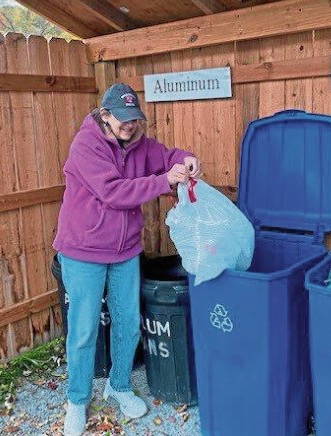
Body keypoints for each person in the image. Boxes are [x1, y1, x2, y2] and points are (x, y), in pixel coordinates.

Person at [53, 83, 201, 436]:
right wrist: (162, 180)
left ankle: (118, 385)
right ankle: (77, 399)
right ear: (104, 115)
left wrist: (185, 159)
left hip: (125, 250)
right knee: (85, 328)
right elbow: (113, 192)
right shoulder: (86, 145)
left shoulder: (139, 145)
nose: (130, 126)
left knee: (128, 322)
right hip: (83, 250)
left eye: (135, 119)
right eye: (122, 119)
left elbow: (167, 156)